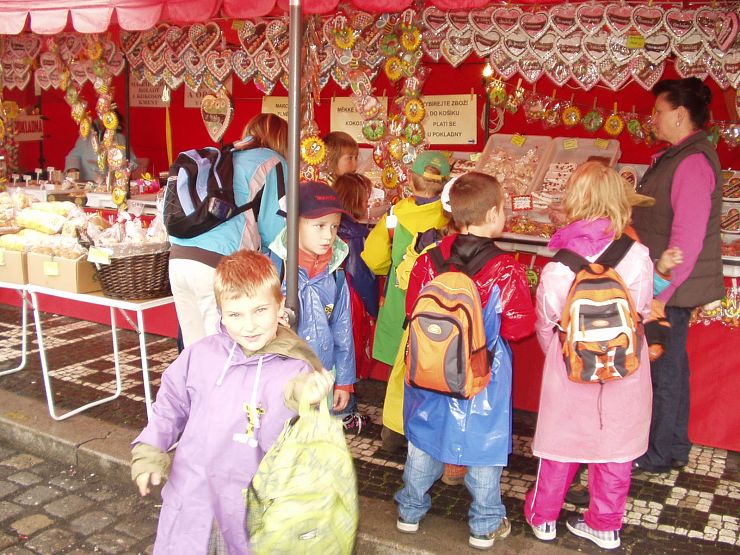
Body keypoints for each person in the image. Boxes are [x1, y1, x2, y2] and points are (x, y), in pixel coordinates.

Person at [131, 250, 334, 554]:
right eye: (235, 314)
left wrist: (303, 401)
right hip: (192, 502)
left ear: (279, 306)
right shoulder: (200, 356)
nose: (249, 326)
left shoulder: (295, 370)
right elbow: (170, 405)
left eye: (259, 310)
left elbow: (295, 446)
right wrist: (150, 450)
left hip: (249, 512)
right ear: (221, 313)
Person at [395, 171, 535, 551]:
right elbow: (519, 326)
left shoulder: (428, 259)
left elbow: (412, 310)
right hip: (482, 371)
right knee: (483, 444)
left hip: (430, 367)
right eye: (503, 208)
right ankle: (484, 523)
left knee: (423, 437)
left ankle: (409, 511)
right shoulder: (505, 268)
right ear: (492, 214)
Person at [523, 161, 656, 550]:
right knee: (617, 446)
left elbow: (546, 321)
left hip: (571, 367)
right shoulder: (638, 255)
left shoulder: (559, 265)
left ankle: (543, 517)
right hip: (625, 366)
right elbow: (642, 311)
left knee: (560, 444)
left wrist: (559, 356)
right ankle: (605, 525)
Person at [631, 77, 724, 474]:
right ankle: (674, 446)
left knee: (663, 370)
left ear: (680, 115)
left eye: (658, 111)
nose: (652, 118)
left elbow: (685, 242)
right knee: (672, 368)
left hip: (670, 288)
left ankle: (658, 452)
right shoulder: (677, 156)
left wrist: (660, 295)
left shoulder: (692, 163)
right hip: (666, 284)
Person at [169, 113, 289, 348]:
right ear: (283, 140)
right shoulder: (273, 161)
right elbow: (276, 232)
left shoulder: (227, 156)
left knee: (195, 351)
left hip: (179, 258)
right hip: (220, 266)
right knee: (225, 352)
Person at [361, 151, 450, 451]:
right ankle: (426, 433)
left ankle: (393, 434)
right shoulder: (450, 218)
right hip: (438, 307)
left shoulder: (395, 214)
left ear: (410, 180)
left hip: (401, 303)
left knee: (398, 371)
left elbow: (373, 258)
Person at [268, 181, 358, 424]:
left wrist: (344, 381)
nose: (329, 235)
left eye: (334, 226)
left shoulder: (336, 273)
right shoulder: (273, 270)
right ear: (293, 222)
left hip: (322, 378)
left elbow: (342, 329)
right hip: (282, 381)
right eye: (319, 225)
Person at [334, 172, 379, 385]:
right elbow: (362, 277)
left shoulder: (330, 227)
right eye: (365, 198)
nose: (367, 202)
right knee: (349, 350)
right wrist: (374, 308)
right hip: (352, 301)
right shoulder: (357, 235)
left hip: (331, 294)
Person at [64, 109, 138, 182]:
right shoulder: (86, 136)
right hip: (87, 182)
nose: (103, 119)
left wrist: (123, 166)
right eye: (102, 115)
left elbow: (132, 161)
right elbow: (73, 156)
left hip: (111, 183)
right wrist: (73, 169)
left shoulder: (120, 139)